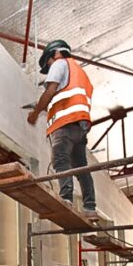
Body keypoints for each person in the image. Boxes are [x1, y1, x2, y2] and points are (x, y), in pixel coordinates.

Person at [27, 39, 98, 221]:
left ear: (56, 54)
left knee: (60, 160)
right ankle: (90, 207)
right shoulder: (79, 72)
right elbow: (63, 95)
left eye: (48, 63)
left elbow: (51, 91)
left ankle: (66, 198)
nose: (50, 67)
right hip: (80, 126)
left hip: (65, 125)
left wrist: (35, 114)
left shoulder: (59, 63)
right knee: (81, 167)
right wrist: (44, 106)